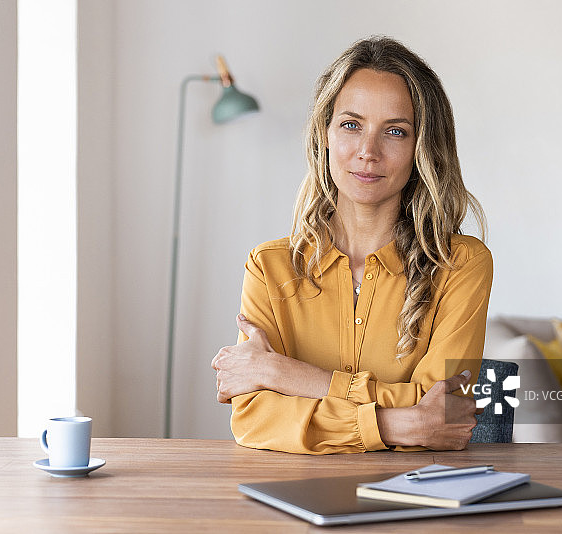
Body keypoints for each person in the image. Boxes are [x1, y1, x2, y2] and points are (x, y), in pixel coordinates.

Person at [211, 36, 492, 454]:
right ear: (325, 133)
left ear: (421, 148)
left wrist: (283, 374)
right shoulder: (268, 266)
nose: (367, 152)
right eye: (351, 124)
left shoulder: (463, 263)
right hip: (291, 498)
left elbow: (445, 411)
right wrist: (396, 425)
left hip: (418, 502)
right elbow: (253, 419)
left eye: (395, 131)